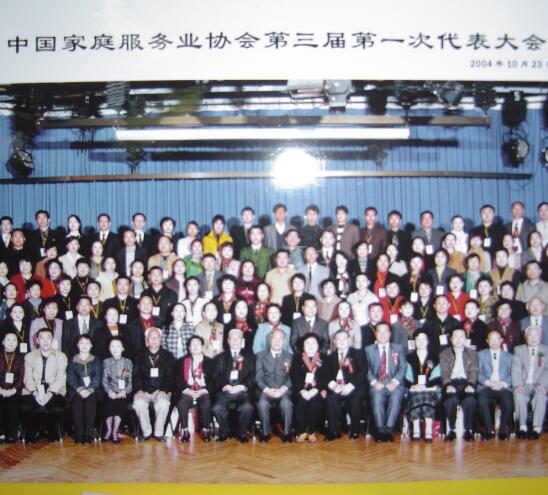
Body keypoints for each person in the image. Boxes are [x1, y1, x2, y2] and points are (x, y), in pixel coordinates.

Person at [20, 327, 67, 442]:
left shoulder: (61, 356)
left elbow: (61, 378)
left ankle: (49, 430)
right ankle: (34, 430)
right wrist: (35, 393)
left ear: (52, 340)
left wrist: (49, 394)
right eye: (42, 338)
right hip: (33, 390)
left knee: (57, 409)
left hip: (54, 390)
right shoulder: (29, 356)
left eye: (48, 338)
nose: (45, 341)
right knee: (25, 408)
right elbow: (27, 378)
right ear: (37, 340)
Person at [212, 328, 255, 442]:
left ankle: (241, 432)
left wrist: (243, 386)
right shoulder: (220, 357)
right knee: (217, 408)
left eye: (238, 338)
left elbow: (253, 375)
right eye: (232, 338)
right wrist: (225, 385)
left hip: (242, 391)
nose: (235, 341)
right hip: (226, 391)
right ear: (228, 341)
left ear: (242, 341)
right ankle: (225, 431)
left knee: (247, 407)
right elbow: (216, 375)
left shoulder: (250, 356)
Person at [132, 327, 175, 441]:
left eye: (157, 337)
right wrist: (139, 389)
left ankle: (159, 433)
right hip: (144, 390)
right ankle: (146, 432)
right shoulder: (139, 355)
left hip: (160, 390)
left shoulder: (168, 356)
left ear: (160, 339)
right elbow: (136, 375)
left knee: (163, 403)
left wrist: (164, 390)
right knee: (138, 403)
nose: (154, 339)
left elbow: (170, 376)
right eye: (151, 337)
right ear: (147, 340)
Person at [365, 323, 406, 442]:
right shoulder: (368, 349)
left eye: (385, 331)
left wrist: (395, 382)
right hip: (377, 382)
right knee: (377, 396)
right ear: (375, 334)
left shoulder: (398, 348)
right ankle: (379, 430)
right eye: (379, 331)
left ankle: (388, 429)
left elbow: (403, 367)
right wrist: (374, 382)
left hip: (394, 382)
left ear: (390, 334)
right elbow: (366, 369)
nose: (382, 334)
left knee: (396, 396)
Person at [325, 329, 366, 440]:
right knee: (331, 399)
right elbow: (326, 375)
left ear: (349, 340)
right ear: (334, 341)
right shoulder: (330, 357)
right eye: (338, 339)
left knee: (355, 401)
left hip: (353, 387)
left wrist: (350, 386)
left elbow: (362, 372)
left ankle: (355, 431)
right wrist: (334, 386)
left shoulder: (358, 353)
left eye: (344, 339)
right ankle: (334, 431)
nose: (341, 341)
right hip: (337, 387)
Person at [439, 328, 479, 442]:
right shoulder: (444, 353)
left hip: (467, 382)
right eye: (455, 336)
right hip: (451, 383)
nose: (458, 339)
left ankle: (468, 430)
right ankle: (452, 430)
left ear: (465, 339)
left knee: (470, 400)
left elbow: (474, 370)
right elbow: (444, 372)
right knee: (451, 400)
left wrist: (471, 384)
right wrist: (448, 385)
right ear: (451, 339)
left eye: (461, 336)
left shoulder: (472, 353)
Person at [255, 329, 293, 443]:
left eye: (280, 339)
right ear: (270, 339)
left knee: (287, 404)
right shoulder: (260, 355)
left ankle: (287, 433)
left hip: (283, 390)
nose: (277, 341)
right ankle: (265, 433)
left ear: (284, 341)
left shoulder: (290, 356)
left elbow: (292, 377)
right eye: (274, 338)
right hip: (267, 390)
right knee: (262, 404)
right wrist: (267, 389)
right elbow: (258, 377)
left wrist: (283, 389)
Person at [174, 334, 215, 442]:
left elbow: (214, 380)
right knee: (182, 402)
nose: (195, 346)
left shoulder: (210, 362)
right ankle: (185, 430)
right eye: (193, 344)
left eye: (198, 344)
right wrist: (188, 390)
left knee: (206, 402)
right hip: (188, 390)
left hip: (203, 390)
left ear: (202, 346)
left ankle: (206, 429)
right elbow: (177, 380)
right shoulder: (181, 361)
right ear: (189, 347)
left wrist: (203, 390)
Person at [290, 333, 328, 443]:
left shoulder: (324, 358)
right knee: (300, 403)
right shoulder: (296, 358)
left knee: (315, 403)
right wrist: (302, 391)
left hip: (317, 390)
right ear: (303, 345)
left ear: (318, 345)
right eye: (307, 343)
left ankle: (311, 432)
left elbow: (326, 377)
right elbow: (294, 376)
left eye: (313, 343)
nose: (310, 346)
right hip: (301, 390)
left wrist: (316, 389)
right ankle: (302, 432)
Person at [511, 326, 548, 440]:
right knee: (519, 395)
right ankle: (522, 427)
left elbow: (547, 370)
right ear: (526, 337)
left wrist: (542, 384)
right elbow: (516, 369)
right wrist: (518, 384)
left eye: (536, 335)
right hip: (524, 384)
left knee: (540, 397)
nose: (533, 338)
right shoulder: (519, 350)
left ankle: (536, 428)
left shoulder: (545, 350)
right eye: (530, 336)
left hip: (539, 384)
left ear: (540, 337)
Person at [404, 330, 441, 442]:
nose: (420, 342)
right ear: (414, 341)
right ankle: (416, 429)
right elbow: (406, 376)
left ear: (428, 341)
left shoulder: (435, 357)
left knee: (427, 394)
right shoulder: (409, 357)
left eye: (423, 339)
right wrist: (413, 386)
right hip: (414, 389)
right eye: (418, 339)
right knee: (417, 394)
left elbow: (437, 376)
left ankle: (428, 429)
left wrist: (426, 386)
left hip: (431, 388)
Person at [477, 330, 513, 441]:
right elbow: (477, 372)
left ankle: (502, 430)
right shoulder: (480, 355)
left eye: (497, 339)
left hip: (503, 386)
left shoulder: (509, 356)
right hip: (486, 386)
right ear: (487, 341)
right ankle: (489, 430)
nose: (494, 342)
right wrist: (487, 382)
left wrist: (503, 384)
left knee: (508, 401)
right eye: (491, 339)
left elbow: (513, 374)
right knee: (481, 400)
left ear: (501, 341)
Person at [66, 334, 103, 443]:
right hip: (76, 390)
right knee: (77, 403)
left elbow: (98, 377)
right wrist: (80, 389)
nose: (84, 345)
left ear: (91, 345)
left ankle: (87, 433)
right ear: (77, 345)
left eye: (87, 343)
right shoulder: (72, 360)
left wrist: (90, 389)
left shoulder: (96, 360)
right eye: (82, 343)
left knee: (90, 403)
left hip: (93, 390)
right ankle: (79, 433)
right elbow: (70, 377)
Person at [102, 337, 133, 443]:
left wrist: (124, 391)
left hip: (123, 392)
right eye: (113, 346)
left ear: (123, 348)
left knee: (120, 403)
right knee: (108, 403)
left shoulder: (128, 362)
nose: (115, 349)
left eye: (118, 346)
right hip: (110, 391)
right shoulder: (106, 362)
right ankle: (109, 430)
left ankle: (115, 431)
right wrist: (110, 391)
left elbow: (130, 382)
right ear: (109, 348)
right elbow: (104, 380)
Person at [0, 330, 25, 443]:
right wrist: (1, 390)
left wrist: (13, 390)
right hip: (0, 389)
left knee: (12, 403)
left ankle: (12, 433)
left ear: (17, 343)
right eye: (8, 340)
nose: (11, 342)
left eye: (14, 340)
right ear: (3, 342)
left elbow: (22, 377)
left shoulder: (21, 358)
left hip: (15, 390)